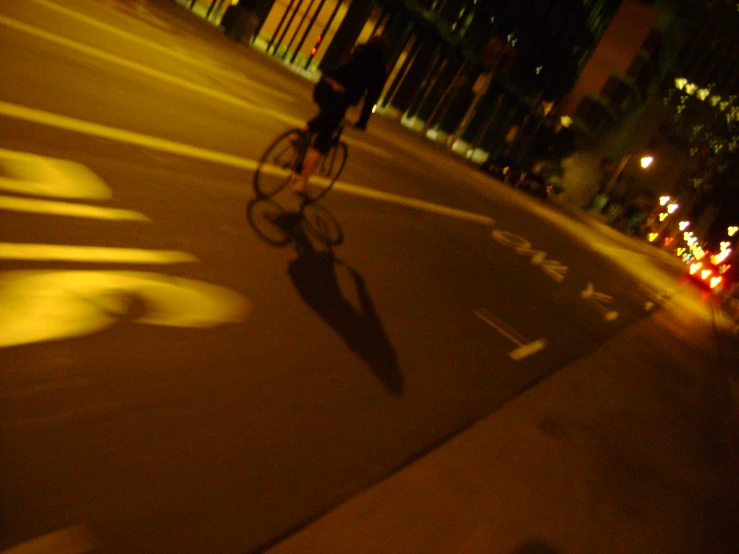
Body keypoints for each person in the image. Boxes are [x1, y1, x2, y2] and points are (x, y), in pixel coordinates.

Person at [292, 35, 390, 194]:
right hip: (340, 96)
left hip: (323, 86)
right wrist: (362, 121)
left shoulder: (358, 51)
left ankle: (301, 134)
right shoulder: (379, 68)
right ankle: (301, 179)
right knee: (325, 136)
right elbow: (372, 97)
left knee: (327, 115)